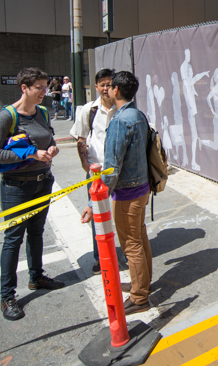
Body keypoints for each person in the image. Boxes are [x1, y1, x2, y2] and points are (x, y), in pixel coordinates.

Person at [0, 67, 64, 321]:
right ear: (24, 88)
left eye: (46, 86)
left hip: (43, 181)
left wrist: (51, 150)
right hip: (16, 186)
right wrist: (30, 154)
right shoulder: (7, 117)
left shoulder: (42, 112)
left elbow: (48, 140)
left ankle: (36, 277)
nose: (45, 92)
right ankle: (7, 296)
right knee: (13, 239)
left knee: (37, 232)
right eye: (39, 87)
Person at [103, 71, 153, 315]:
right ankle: (143, 284)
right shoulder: (138, 115)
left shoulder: (121, 120)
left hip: (126, 192)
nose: (108, 90)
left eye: (110, 86)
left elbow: (112, 165)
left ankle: (139, 296)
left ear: (116, 90)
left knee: (131, 244)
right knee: (140, 238)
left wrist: (100, 194)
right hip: (142, 187)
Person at [69, 68, 126, 274]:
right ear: (96, 87)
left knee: (123, 214)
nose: (105, 88)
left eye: (109, 84)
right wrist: (85, 163)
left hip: (122, 172)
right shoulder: (88, 110)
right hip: (98, 172)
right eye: (102, 84)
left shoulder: (123, 109)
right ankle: (100, 258)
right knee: (99, 216)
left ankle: (127, 253)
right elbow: (81, 138)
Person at [180, 49, 209, 171]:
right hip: (192, 113)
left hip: (193, 112)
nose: (191, 72)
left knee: (195, 137)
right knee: (194, 137)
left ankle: (194, 161)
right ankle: (193, 162)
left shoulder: (189, 85)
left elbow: (194, 79)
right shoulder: (187, 83)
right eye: (189, 70)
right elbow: (193, 78)